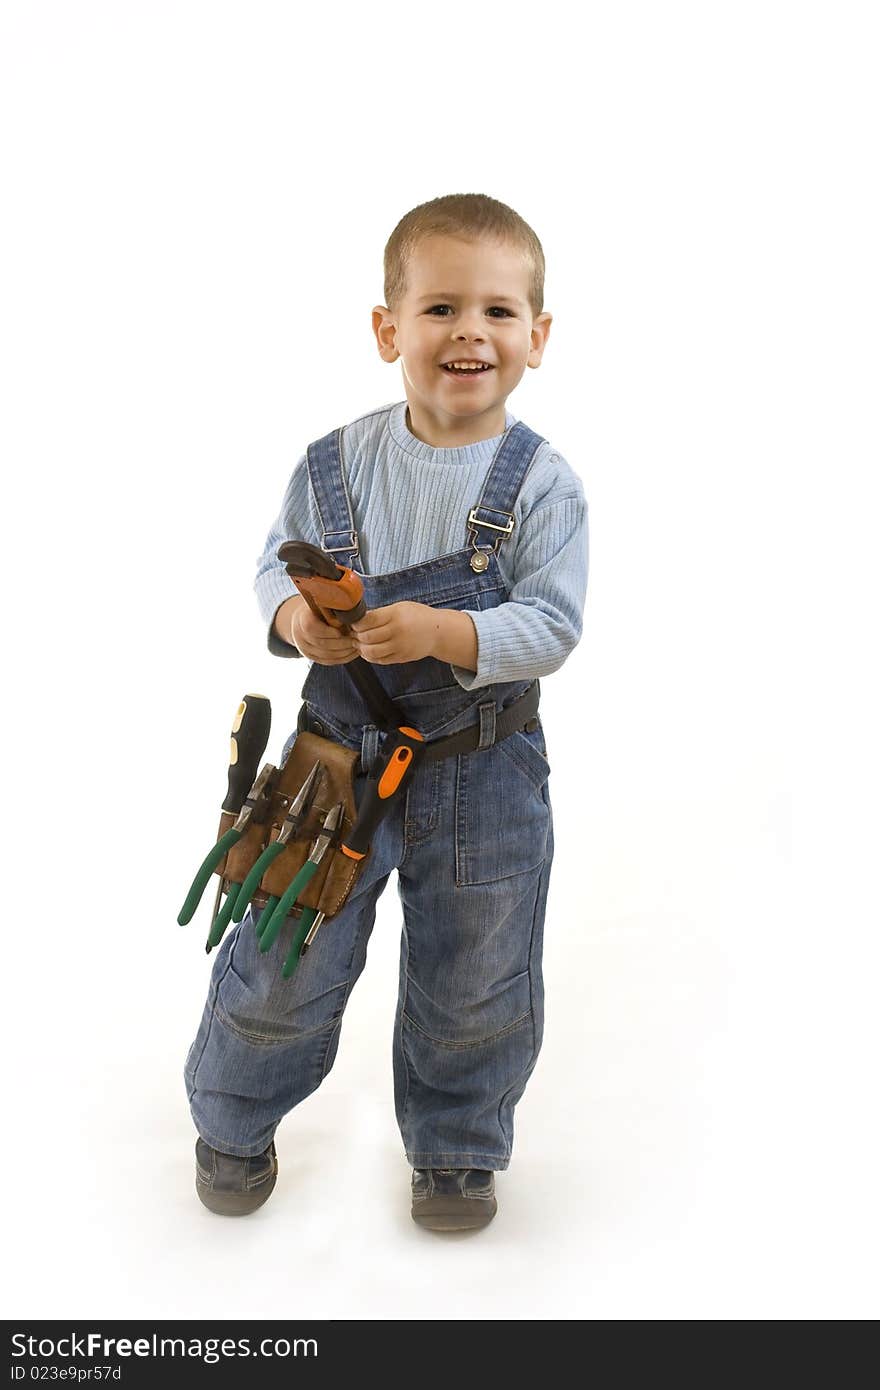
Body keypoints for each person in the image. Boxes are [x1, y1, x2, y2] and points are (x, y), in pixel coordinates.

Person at [184, 192, 589, 1232]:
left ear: (536, 338)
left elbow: (550, 624)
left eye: (499, 312)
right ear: (387, 329)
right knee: (282, 950)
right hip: (334, 763)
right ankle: (232, 1117)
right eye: (441, 306)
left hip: (487, 768)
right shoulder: (335, 463)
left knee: (476, 978)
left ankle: (456, 1148)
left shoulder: (543, 485)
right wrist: (297, 620)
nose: (470, 332)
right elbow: (275, 566)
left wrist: (444, 635)